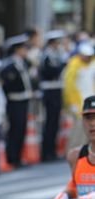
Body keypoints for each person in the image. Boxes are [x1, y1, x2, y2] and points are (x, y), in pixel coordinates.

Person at [0, 35, 33, 167]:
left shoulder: (22, 64)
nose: (25, 51)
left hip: (23, 99)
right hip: (14, 100)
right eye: (23, 48)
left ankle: (18, 156)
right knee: (15, 129)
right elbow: (7, 85)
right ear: (17, 50)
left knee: (22, 129)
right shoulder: (9, 66)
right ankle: (12, 157)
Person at [39, 31, 67, 161]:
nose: (58, 45)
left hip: (57, 89)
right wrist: (61, 66)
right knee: (50, 122)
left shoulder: (58, 55)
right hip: (49, 90)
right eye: (56, 42)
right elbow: (50, 72)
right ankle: (47, 152)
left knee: (55, 122)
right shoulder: (46, 56)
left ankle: (53, 150)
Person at [62, 41, 95, 150]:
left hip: (92, 102)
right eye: (86, 56)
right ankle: (75, 152)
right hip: (79, 103)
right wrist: (71, 103)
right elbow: (69, 86)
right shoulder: (73, 66)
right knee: (79, 130)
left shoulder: (93, 64)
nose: (88, 58)